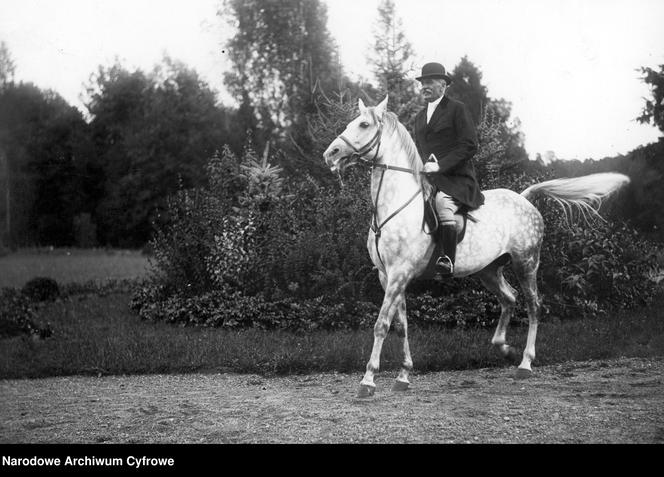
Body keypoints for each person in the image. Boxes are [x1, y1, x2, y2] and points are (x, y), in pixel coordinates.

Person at [413, 62, 485, 277]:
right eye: (423, 83)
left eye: (430, 82)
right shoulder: (418, 118)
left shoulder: (456, 109)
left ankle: (447, 259)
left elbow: (469, 145)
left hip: (457, 178)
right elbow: (419, 151)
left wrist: (441, 165)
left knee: (442, 204)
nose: (425, 86)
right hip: (429, 179)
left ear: (443, 85)